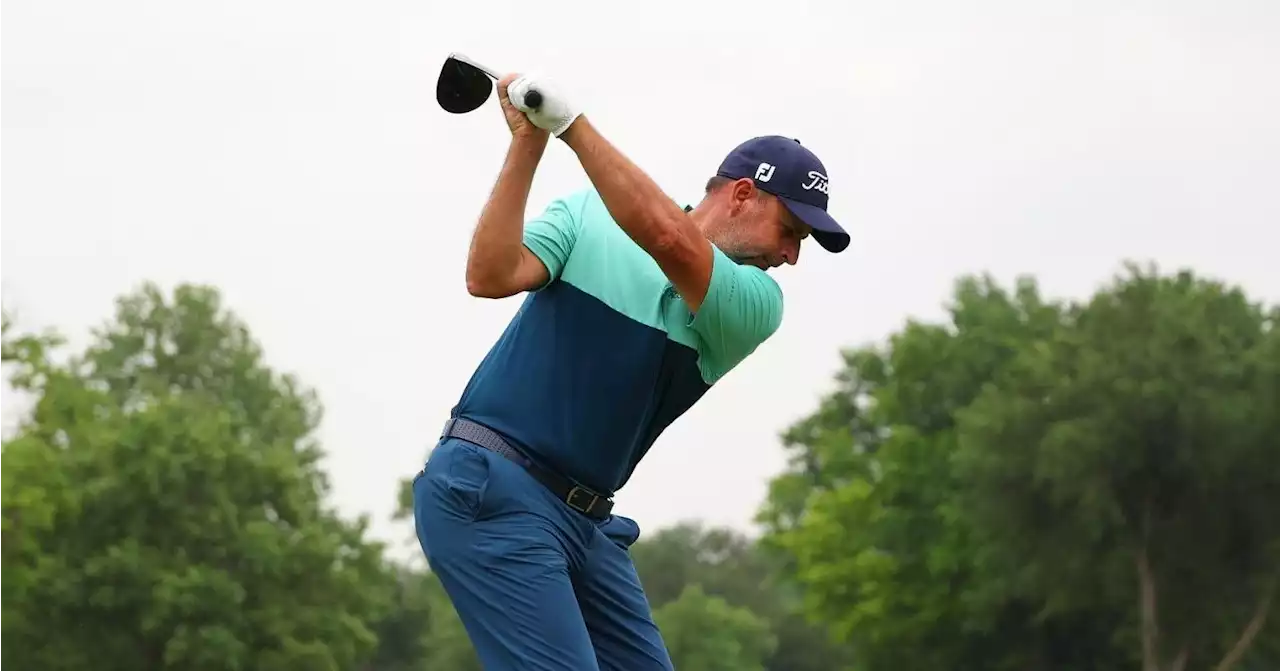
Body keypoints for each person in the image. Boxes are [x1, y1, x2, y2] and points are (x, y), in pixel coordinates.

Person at [412, 69, 850, 671]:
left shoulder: (755, 304)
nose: (791, 255)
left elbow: (670, 239)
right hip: (491, 485)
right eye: (791, 230)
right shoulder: (589, 214)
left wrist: (571, 125)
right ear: (744, 195)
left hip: (585, 522)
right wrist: (529, 144)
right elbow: (488, 275)